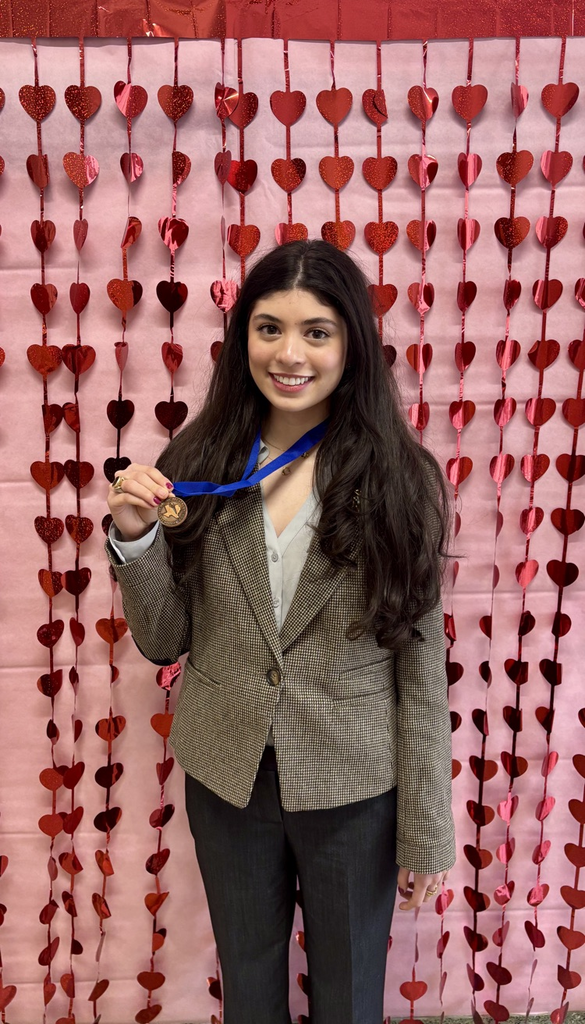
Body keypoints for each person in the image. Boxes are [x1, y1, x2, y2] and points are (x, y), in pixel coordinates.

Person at [105, 239, 455, 1024]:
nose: (288, 354)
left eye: (316, 332)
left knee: (350, 992)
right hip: (227, 776)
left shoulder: (400, 479)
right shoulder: (198, 458)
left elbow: (420, 664)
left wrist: (426, 826)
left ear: (351, 344)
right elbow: (165, 639)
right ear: (243, 339)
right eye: (268, 329)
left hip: (353, 785)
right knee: (249, 987)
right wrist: (135, 538)